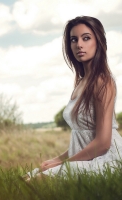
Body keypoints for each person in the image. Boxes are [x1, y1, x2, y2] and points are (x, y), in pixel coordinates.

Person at [24, 16, 122, 181]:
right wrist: (58, 159)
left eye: (86, 38)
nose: (79, 45)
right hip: (86, 158)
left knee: (34, 182)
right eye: (73, 39)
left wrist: (64, 164)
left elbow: (103, 143)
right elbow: (82, 139)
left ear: (98, 42)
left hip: (106, 159)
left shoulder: (102, 81)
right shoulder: (82, 82)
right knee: (25, 178)